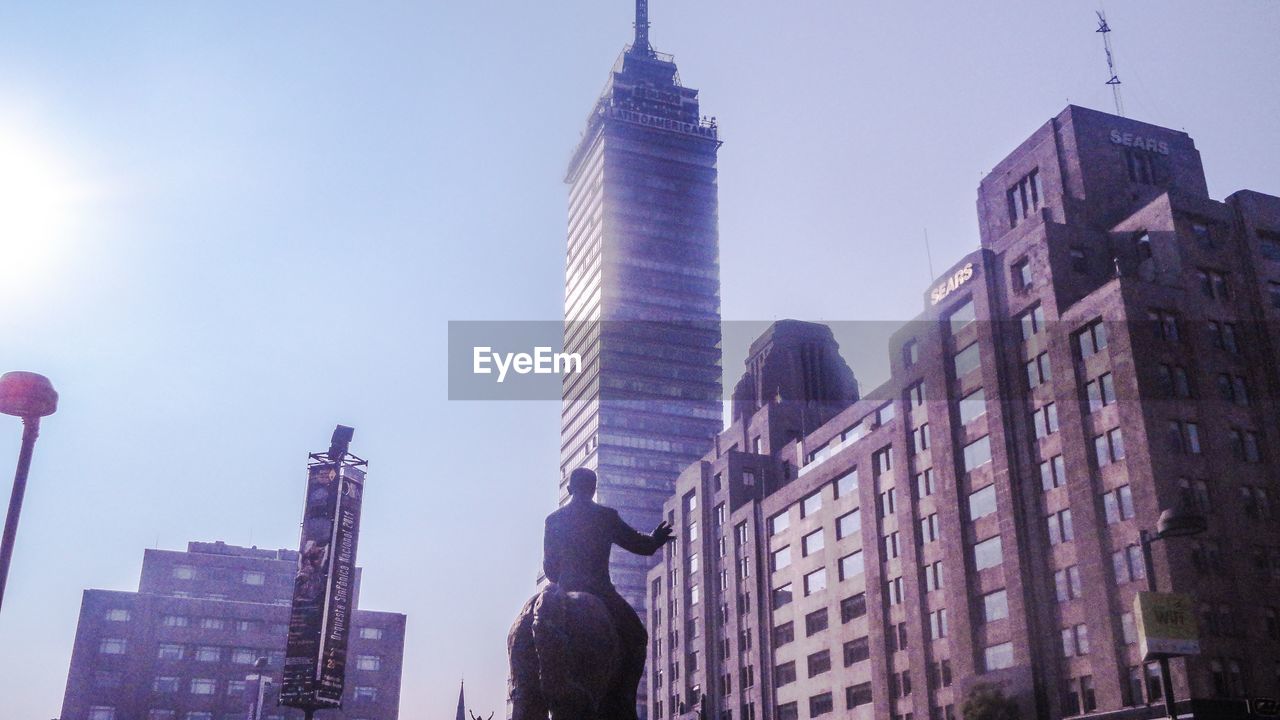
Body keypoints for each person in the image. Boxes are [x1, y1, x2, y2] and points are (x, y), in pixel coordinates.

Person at [543, 467, 675, 720]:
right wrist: (656, 539)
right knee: (637, 637)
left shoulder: (554, 519)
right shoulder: (605, 516)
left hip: (564, 589)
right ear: (593, 489)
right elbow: (640, 544)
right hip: (600, 591)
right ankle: (623, 701)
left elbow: (549, 569)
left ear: (569, 488)